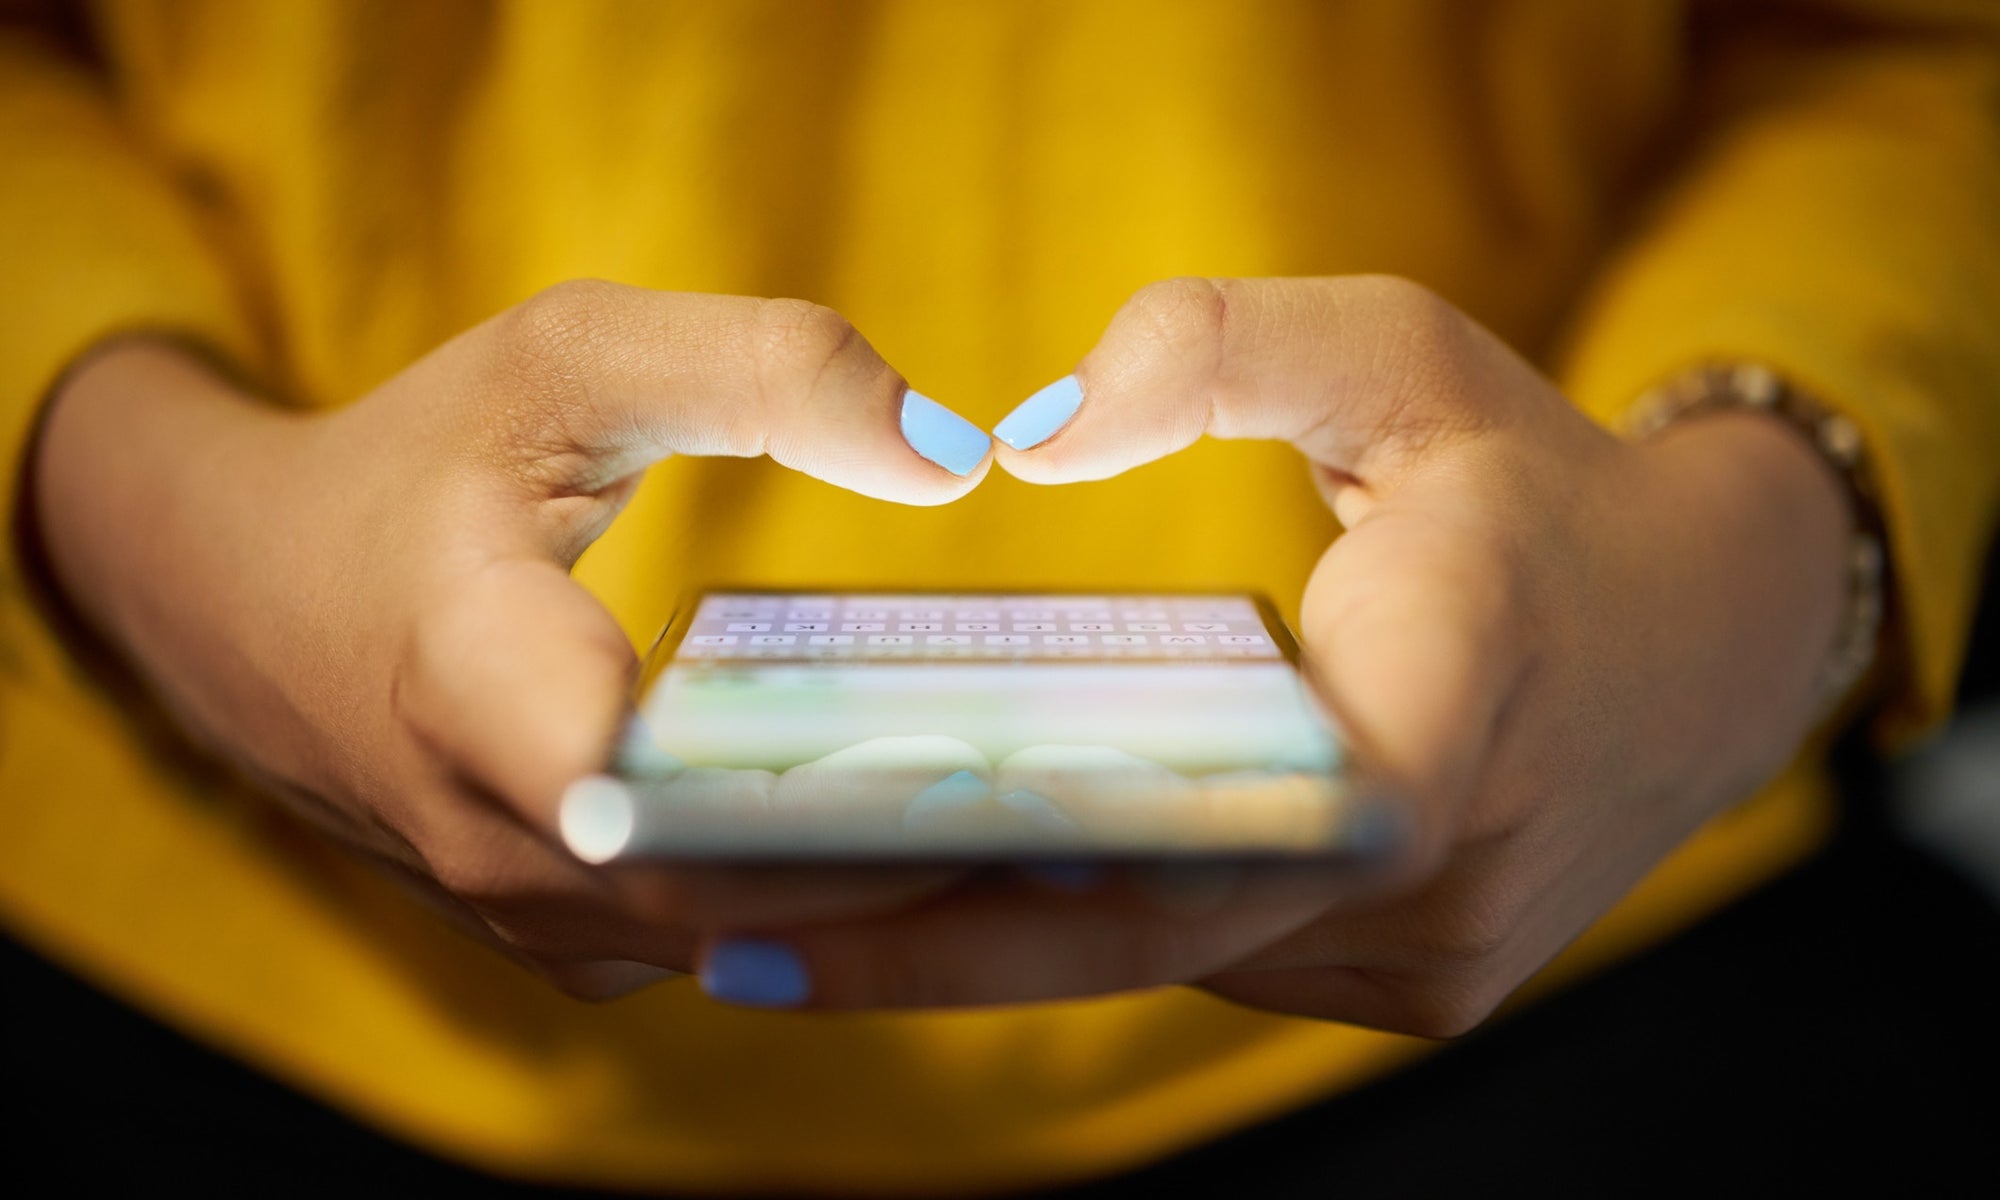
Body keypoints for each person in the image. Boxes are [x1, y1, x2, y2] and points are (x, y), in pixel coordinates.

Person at [3, 0, 1997, 1193]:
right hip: (222, 959)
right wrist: (143, 505)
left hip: (1586, 929)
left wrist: (1739, 564)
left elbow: (1909, 59)